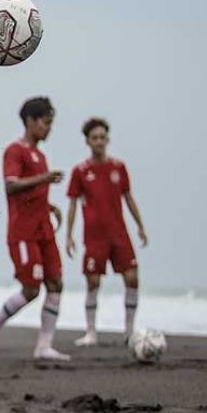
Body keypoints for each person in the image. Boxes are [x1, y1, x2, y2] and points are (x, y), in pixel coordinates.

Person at [0, 97, 71, 362]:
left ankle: (44, 345)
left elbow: (32, 192)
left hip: (44, 230)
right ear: (30, 121)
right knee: (31, 289)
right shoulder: (15, 150)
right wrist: (44, 178)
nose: (48, 129)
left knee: (56, 283)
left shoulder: (40, 155)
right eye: (45, 122)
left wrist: (50, 206)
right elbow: (11, 186)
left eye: (51, 124)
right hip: (23, 232)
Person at [65, 118, 148, 346]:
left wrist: (140, 226)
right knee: (93, 282)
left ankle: (129, 331)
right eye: (95, 138)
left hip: (119, 234)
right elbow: (72, 204)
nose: (99, 142)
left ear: (108, 139)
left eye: (103, 137)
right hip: (94, 236)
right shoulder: (80, 171)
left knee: (132, 278)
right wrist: (69, 235)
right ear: (87, 142)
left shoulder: (118, 167)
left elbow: (128, 198)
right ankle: (91, 331)